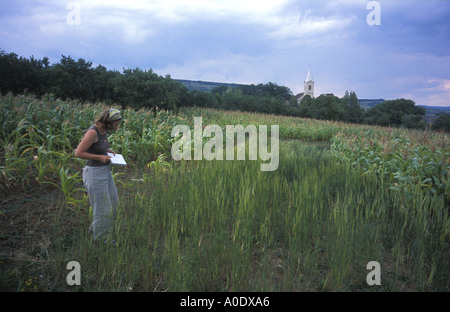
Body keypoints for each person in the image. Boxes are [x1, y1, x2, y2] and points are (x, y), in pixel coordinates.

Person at [75, 108, 122, 243]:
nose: (117, 126)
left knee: (114, 203)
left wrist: (106, 150)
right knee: (103, 209)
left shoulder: (103, 130)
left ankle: (94, 230)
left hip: (105, 172)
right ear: (109, 121)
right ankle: (102, 240)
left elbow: (96, 147)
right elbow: (78, 153)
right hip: (94, 174)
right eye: (116, 123)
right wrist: (100, 157)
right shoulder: (92, 132)